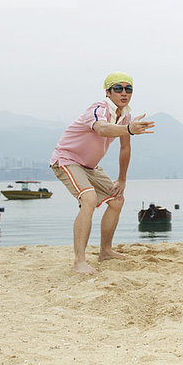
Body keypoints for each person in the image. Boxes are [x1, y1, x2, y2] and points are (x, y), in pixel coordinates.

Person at [50, 72, 155, 274]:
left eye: (128, 89)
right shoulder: (98, 108)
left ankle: (105, 251)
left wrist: (122, 179)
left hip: (90, 167)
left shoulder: (126, 116)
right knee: (88, 198)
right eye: (118, 88)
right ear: (108, 92)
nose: (124, 93)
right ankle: (79, 261)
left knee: (117, 199)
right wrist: (129, 129)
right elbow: (102, 129)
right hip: (67, 160)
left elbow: (125, 148)